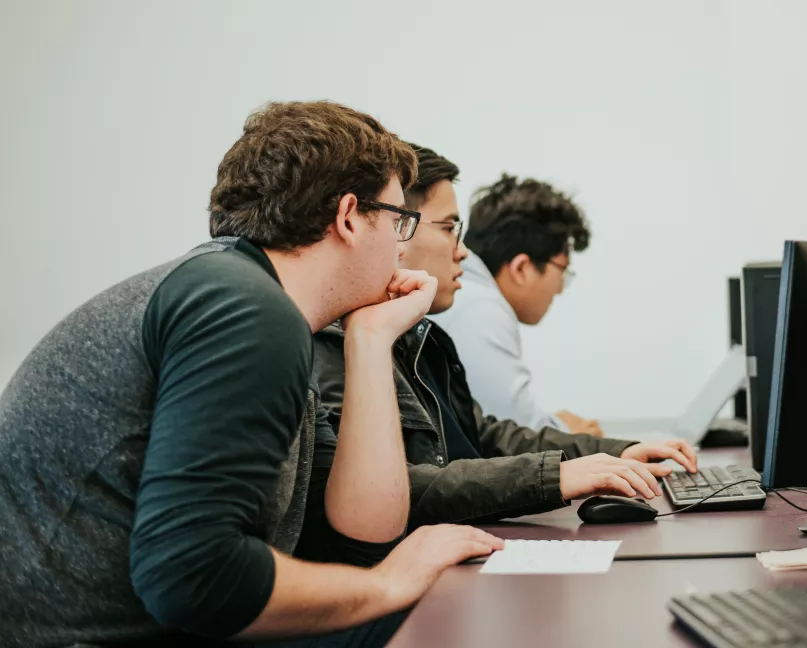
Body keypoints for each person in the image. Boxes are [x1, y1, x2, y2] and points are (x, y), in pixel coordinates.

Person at [0, 102, 502, 648]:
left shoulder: (255, 300)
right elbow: (193, 578)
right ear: (350, 216)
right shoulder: (245, 311)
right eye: (399, 220)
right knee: (447, 624)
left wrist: (371, 340)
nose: (402, 245)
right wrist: (388, 586)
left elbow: (360, 538)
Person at [313, 144, 698, 528]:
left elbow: (484, 434)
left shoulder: (418, 336)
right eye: (448, 228)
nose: (463, 252)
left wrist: (616, 453)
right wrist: (558, 477)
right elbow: (388, 489)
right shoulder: (337, 342)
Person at [429, 173, 602, 436]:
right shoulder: (481, 307)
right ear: (521, 267)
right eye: (562, 272)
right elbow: (516, 435)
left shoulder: (467, 295)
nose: (559, 289)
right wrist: (574, 433)